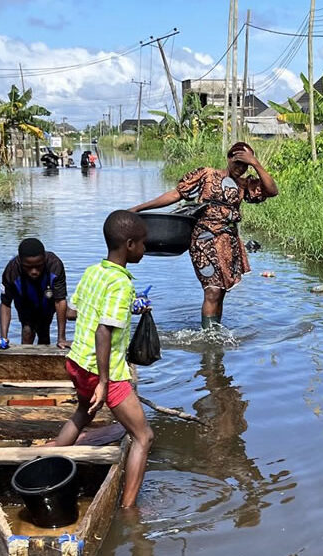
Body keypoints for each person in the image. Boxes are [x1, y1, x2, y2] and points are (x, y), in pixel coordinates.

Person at [47, 210, 155, 508]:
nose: (146, 249)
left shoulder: (95, 271)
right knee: (144, 436)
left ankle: (50, 462)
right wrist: (105, 383)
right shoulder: (122, 284)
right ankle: (129, 508)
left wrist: (128, 310)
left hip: (77, 362)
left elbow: (75, 311)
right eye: (144, 244)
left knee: (83, 414)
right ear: (130, 244)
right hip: (103, 371)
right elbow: (103, 332)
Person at [129, 141, 278, 329]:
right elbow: (176, 194)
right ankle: (208, 337)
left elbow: (272, 191)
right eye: (237, 162)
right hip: (203, 239)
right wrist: (139, 208)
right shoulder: (207, 175)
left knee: (220, 291)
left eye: (245, 165)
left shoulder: (245, 184)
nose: (241, 168)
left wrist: (255, 163)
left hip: (228, 241)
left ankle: (214, 332)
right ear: (229, 158)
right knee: (212, 290)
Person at [0, 238, 72, 348]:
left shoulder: (54, 265)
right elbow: (5, 304)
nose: (34, 271)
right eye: (28, 267)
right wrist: (3, 337)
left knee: (44, 333)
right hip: (24, 301)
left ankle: (43, 362)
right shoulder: (12, 270)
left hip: (47, 301)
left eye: (39, 266)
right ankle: (24, 360)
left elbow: (60, 301)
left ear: (44, 259)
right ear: (20, 261)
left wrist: (61, 338)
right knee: (27, 330)